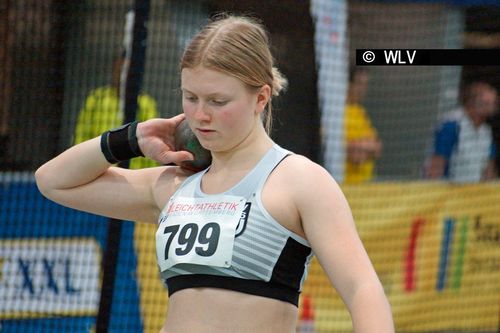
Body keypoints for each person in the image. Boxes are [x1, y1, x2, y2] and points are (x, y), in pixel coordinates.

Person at [35, 15, 394, 333]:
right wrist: (132, 138)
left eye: (218, 101)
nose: (200, 115)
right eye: (190, 97)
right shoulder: (175, 184)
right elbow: (53, 181)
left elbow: (363, 288)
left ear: (261, 98)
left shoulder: (299, 181)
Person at [74, 53, 158, 169]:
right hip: (98, 171)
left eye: (129, 71)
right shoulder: (97, 98)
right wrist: (81, 165)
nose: (124, 75)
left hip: (134, 176)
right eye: (121, 69)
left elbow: (152, 144)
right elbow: (81, 137)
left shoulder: (146, 104)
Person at [425, 82, 498, 182]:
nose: (492, 106)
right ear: (471, 102)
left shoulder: (486, 132)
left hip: (473, 193)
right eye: (487, 102)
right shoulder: (451, 125)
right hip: (448, 191)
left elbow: (488, 171)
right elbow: (436, 167)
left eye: (493, 103)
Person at [344, 66, 382, 184]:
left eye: (365, 84)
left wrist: (358, 147)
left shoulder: (360, 112)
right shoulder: (337, 112)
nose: (362, 89)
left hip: (365, 187)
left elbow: (377, 148)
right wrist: (365, 147)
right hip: (345, 185)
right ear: (348, 84)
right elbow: (350, 153)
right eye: (358, 83)